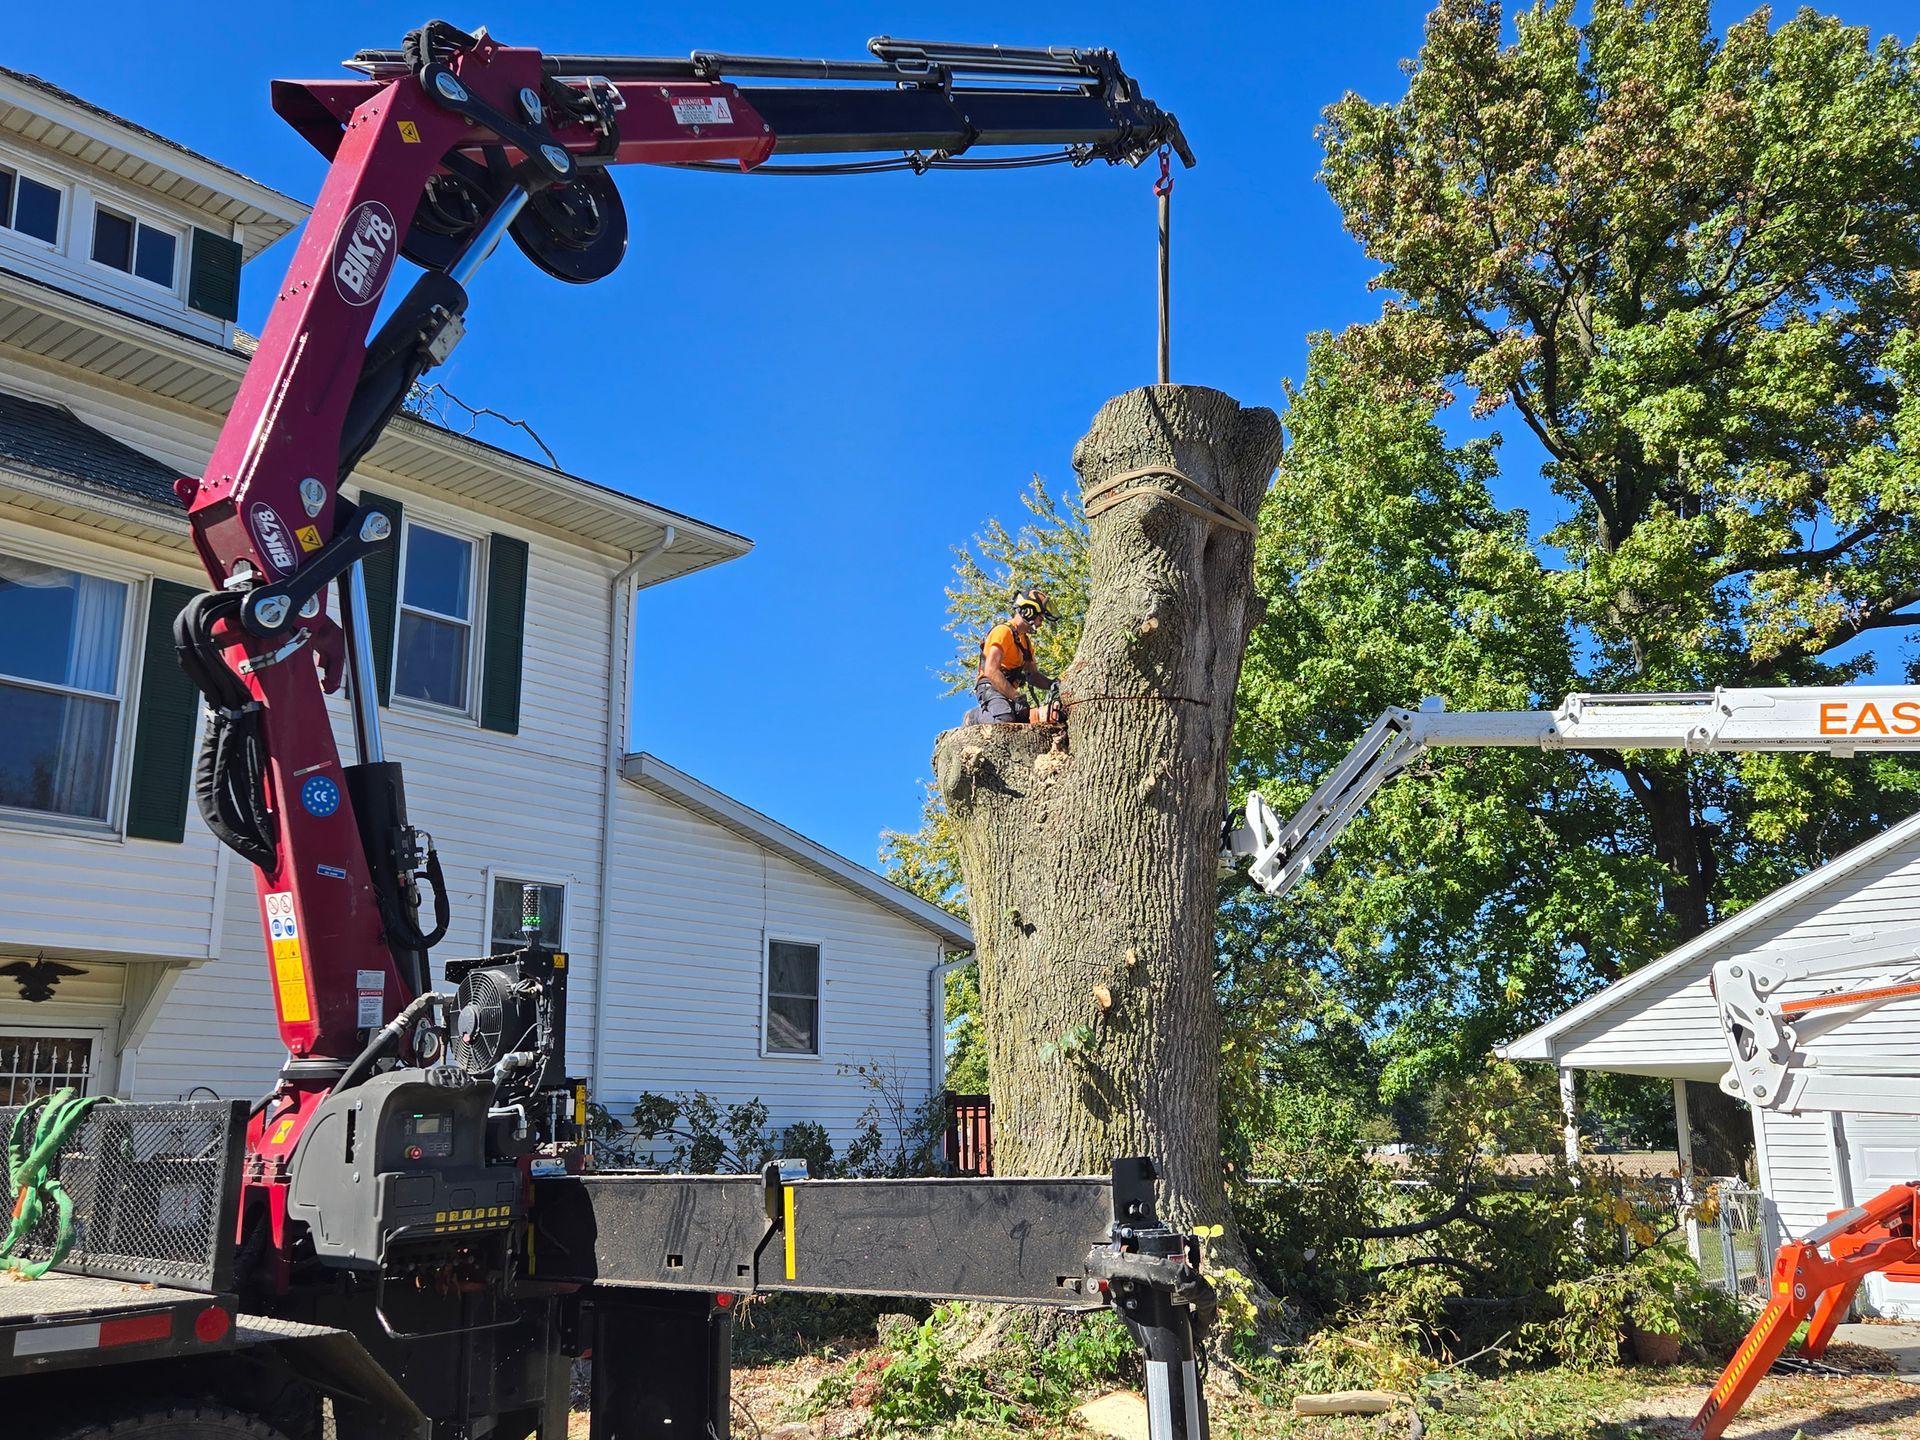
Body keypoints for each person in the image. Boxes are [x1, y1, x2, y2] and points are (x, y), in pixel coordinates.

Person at [973, 588, 1061, 725]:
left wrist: (1052, 684)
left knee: (1025, 719)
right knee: (1004, 720)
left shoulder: (1025, 642)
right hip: (990, 686)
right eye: (1040, 617)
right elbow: (991, 670)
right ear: (1028, 611)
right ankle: (975, 717)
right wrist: (1016, 697)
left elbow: (1033, 675)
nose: (1041, 623)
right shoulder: (1003, 632)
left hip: (1008, 689)